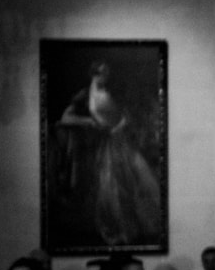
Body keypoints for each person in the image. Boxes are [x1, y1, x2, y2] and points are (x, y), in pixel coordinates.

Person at [55, 59, 163, 247]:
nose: (106, 76)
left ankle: (133, 229)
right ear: (93, 74)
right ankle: (118, 230)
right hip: (102, 142)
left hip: (120, 139)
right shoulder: (84, 94)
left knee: (134, 182)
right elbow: (66, 117)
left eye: (108, 72)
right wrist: (89, 123)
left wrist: (120, 126)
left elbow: (125, 116)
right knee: (111, 188)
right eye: (102, 72)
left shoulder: (114, 90)